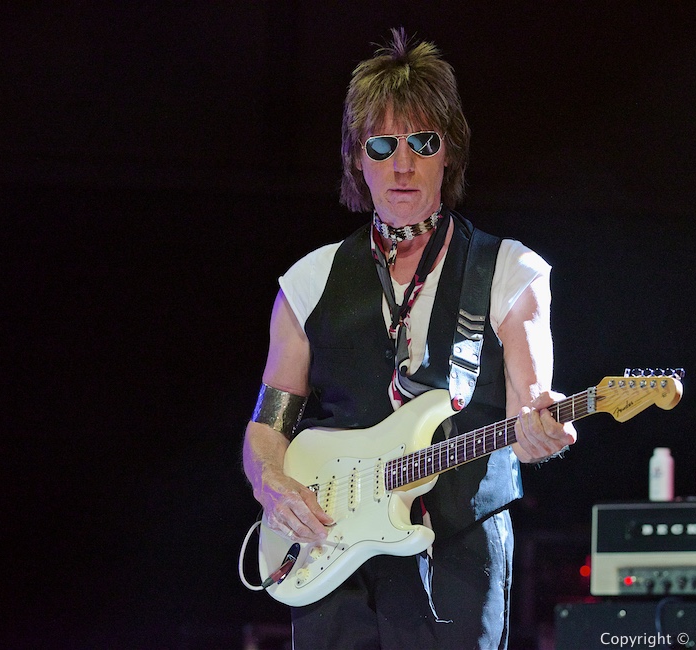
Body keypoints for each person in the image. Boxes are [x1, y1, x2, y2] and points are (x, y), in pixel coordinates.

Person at [242, 27, 576, 649]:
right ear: (355, 159)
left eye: (423, 142)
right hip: (330, 553)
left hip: (456, 556)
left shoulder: (511, 271)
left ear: (448, 153)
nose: (403, 163)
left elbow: (533, 409)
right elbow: (268, 424)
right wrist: (272, 484)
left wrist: (541, 428)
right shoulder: (308, 282)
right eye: (382, 145)